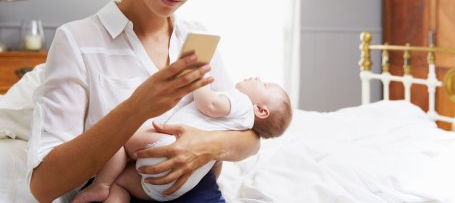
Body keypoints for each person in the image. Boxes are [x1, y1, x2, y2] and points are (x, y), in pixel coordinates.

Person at [27, 0, 261, 203]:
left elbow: (250, 138)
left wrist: (205, 146)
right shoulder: (77, 41)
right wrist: (136, 107)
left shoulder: (197, 38)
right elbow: (43, 186)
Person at [72, 77, 293, 202]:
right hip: (173, 187)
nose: (257, 78)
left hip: (167, 148)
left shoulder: (242, 102)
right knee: (123, 184)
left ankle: (101, 186)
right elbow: (218, 161)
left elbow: (210, 104)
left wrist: (198, 80)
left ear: (261, 111)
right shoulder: (241, 124)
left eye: (264, 85)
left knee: (120, 135)